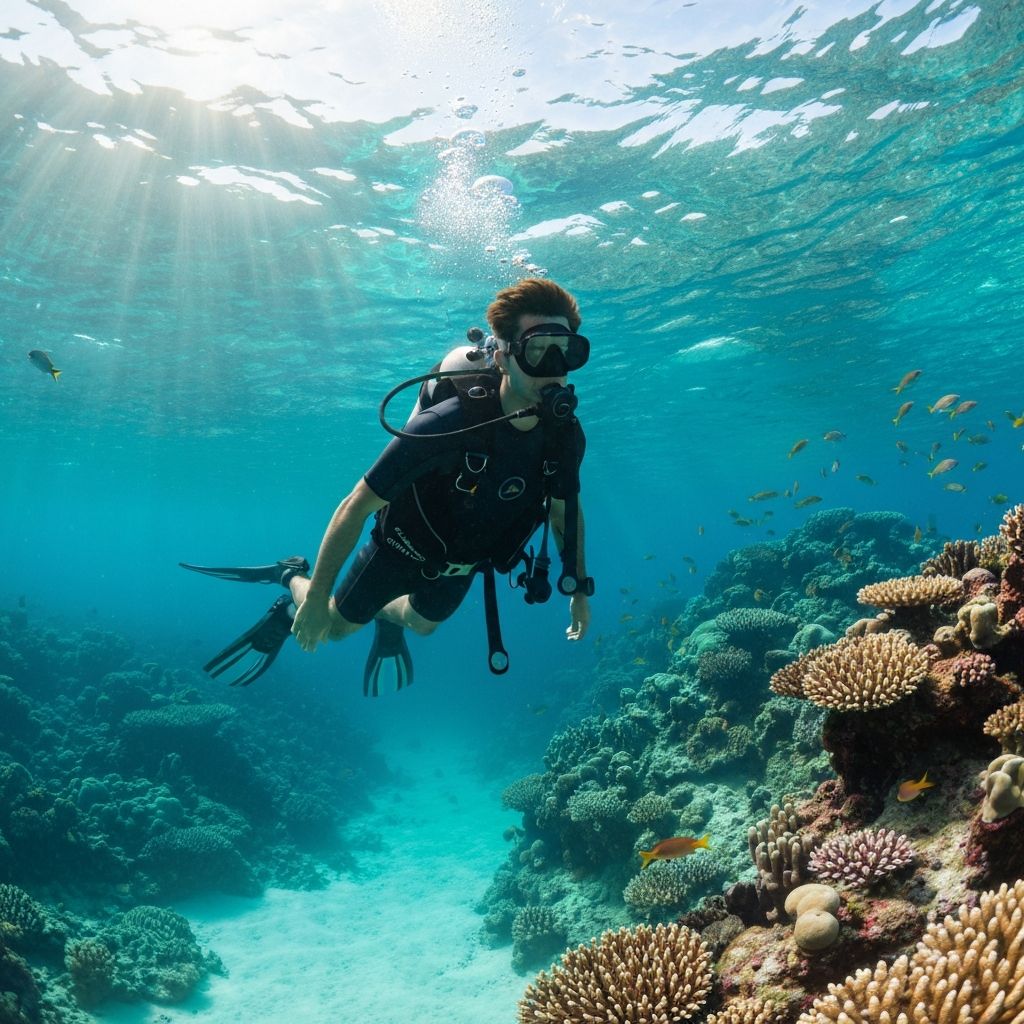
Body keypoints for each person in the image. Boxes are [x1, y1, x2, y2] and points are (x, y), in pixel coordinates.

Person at [181, 278, 592, 693]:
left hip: (463, 562)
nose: (554, 369)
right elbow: (356, 505)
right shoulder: (446, 423)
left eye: (566, 352)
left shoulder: (565, 438)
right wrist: (316, 597)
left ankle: (382, 615)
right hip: (398, 548)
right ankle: (291, 577)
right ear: (502, 356)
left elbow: (564, 513)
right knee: (333, 629)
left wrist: (578, 588)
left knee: (423, 625)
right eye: (537, 351)